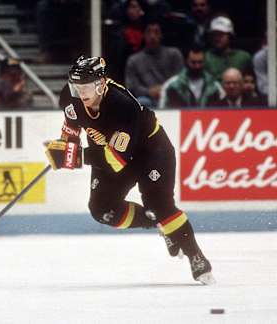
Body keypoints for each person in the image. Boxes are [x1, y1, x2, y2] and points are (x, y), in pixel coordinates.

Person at [45, 55, 214, 284]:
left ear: (101, 83)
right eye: (77, 87)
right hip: (107, 152)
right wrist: (63, 148)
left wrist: (73, 158)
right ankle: (158, 223)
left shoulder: (123, 105)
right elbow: (71, 131)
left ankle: (196, 256)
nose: (80, 92)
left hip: (151, 152)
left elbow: (117, 160)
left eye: (85, 87)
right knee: (102, 209)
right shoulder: (70, 95)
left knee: (161, 206)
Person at [125, 20, 184, 108]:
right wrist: (149, 91)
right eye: (149, 32)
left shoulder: (174, 54)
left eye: (156, 32)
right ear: (143, 35)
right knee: (141, 102)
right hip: (146, 98)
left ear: (161, 35)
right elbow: (131, 86)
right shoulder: (134, 60)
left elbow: (181, 79)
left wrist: (165, 89)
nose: (152, 36)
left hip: (170, 95)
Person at [159, 44, 223, 109]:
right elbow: (162, 111)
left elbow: (224, 110)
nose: (197, 66)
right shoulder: (171, 86)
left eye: (200, 62)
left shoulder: (214, 86)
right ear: (186, 61)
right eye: (193, 62)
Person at [204, 16, 252, 82]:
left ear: (230, 36)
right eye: (214, 35)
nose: (217, 38)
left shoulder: (244, 57)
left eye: (221, 35)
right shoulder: (206, 57)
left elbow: (249, 81)